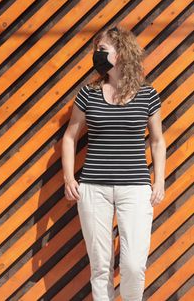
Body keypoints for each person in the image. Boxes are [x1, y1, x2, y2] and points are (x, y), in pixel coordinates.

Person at [61, 25, 166, 301]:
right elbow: (70, 136)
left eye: (102, 49)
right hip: (94, 189)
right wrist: (69, 178)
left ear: (120, 53)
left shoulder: (147, 95)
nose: (96, 55)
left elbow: (157, 141)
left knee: (133, 265)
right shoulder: (88, 94)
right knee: (100, 267)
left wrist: (160, 180)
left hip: (135, 188)